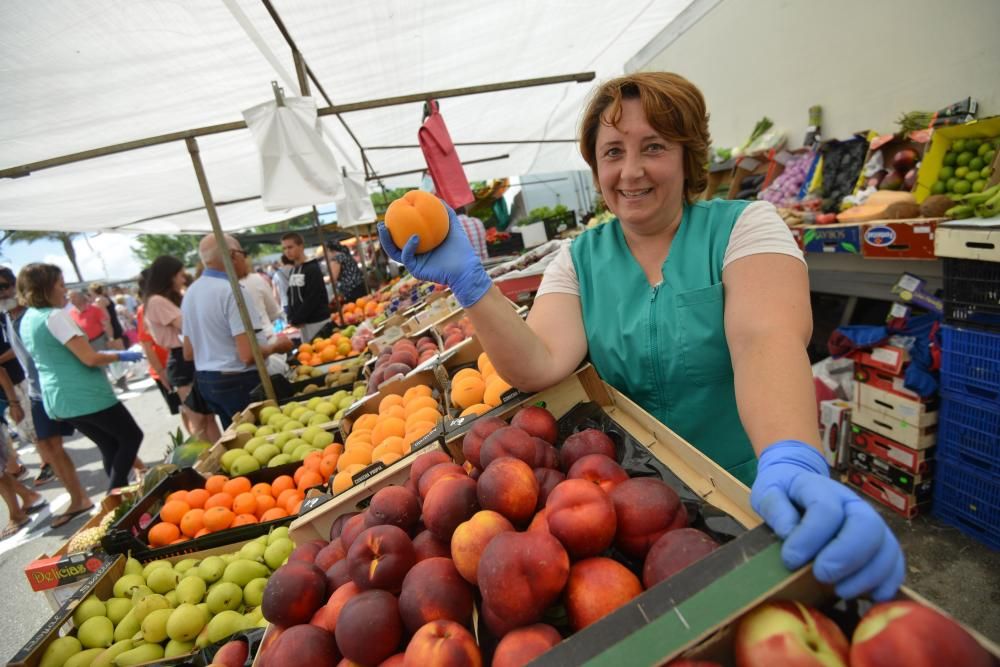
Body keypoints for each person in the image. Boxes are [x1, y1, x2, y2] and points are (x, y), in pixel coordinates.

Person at [379, 71, 904, 602]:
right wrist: (470, 285)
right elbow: (537, 363)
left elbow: (763, 339)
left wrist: (790, 455)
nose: (630, 172)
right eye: (612, 152)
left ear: (685, 155)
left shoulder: (746, 227)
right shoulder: (578, 262)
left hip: (756, 493)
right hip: (641, 514)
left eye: (652, 147)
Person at [18, 263, 144, 494]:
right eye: (60, 285)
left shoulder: (28, 318)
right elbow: (89, 358)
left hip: (60, 399)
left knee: (109, 444)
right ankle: (115, 495)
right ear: (44, 288)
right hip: (85, 395)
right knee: (131, 436)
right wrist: (119, 354)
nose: (64, 291)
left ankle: (121, 498)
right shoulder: (55, 316)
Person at [3, 273, 93, 526]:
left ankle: (137, 468)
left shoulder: (37, 315)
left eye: (4, 287)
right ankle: (79, 499)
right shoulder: (10, 318)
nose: (1, 293)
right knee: (48, 447)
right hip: (37, 392)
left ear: (17, 287)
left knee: (103, 431)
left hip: (60, 388)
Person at [182, 234, 293, 428]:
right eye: (243, 253)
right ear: (233, 255)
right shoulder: (232, 290)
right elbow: (248, 355)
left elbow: (188, 352)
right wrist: (277, 346)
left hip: (208, 381)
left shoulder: (191, 292)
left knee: (237, 442)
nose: (246, 259)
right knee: (260, 439)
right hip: (239, 382)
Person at [143, 256, 221, 444]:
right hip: (182, 360)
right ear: (168, 276)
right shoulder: (157, 301)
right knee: (199, 420)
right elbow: (187, 325)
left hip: (189, 358)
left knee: (208, 416)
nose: (183, 279)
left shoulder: (165, 299)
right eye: (179, 275)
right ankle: (208, 465)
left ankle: (220, 457)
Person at [136, 269, 181, 418]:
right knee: (186, 411)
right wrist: (161, 372)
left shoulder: (166, 300)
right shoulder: (147, 308)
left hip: (175, 363)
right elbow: (146, 344)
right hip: (166, 367)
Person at [281, 232, 331, 342]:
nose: (287, 251)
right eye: (284, 248)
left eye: (290, 247)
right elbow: (291, 295)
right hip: (303, 325)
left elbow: (313, 297)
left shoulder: (312, 268)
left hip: (317, 323)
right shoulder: (293, 270)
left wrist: (297, 319)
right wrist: (291, 318)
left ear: (301, 246)